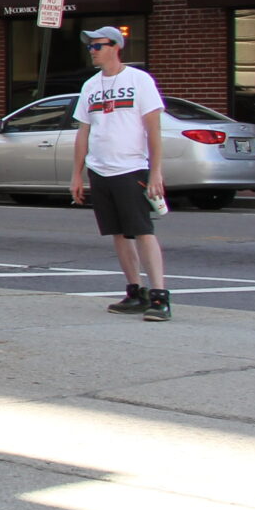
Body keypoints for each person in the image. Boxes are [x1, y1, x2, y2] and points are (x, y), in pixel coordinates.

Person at [68, 26, 171, 320]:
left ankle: (159, 296)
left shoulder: (139, 81)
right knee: (117, 232)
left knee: (142, 231)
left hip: (131, 167)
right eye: (89, 47)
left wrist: (155, 172)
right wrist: (77, 174)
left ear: (115, 46)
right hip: (100, 169)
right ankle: (134, 290)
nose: (92, 51)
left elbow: (153, 130)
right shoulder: (90, 86)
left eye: (97, 46)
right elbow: (83, 133)